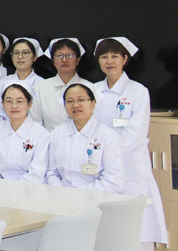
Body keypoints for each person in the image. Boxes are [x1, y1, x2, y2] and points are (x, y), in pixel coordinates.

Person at [93, 37, 168, 248]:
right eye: (104, 57)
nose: (109, 61)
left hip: (130, 164)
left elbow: (135, 133)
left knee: (137, 228)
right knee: (105, 229)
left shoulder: (138, 91)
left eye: (114, 56)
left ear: (125, 59)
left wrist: (108, 154)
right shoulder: (93, 90)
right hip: (99, 165)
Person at [46, 83, 125, 193]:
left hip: (97, 199)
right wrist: (61, 192)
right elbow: (51, 172)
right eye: (69, 101)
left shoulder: (109, 137)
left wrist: (79, 195)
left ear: (93, 103)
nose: (75, 105)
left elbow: (114, 181)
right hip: (62, 197)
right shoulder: (57, 133)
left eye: (81, 100)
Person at [0, 81, 50, 183]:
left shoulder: (42, 135)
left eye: (19, 101)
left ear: (29, 104)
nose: (14, 106)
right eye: (9, 101)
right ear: (2, 104)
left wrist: (13, 190)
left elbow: (36, 173)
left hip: (30, 189)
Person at [31, 38, 90, 130]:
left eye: (70, 55)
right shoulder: (40, 87)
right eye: (59, 56)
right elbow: (35, 122)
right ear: (53, 61)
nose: (64, 60)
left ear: (78, 60)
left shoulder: (89, 87)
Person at [0, 37, 43, 122]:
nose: (20, 57)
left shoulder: (42, 83)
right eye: (16, 53)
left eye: (25, 53)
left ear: (35, 57)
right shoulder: (3, 82)